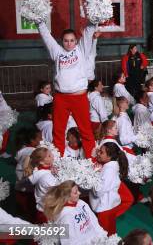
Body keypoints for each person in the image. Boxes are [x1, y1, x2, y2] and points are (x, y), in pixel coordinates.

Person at [37, 20, 96, 158]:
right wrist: (40, 23)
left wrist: (93, 22)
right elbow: (47, 38)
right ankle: (58, 162)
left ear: (76, 41)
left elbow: (87, 34)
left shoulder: (81, 50)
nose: (69, 43)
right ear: (62, 41)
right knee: (58, 131)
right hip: (61, 98)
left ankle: (92, 162)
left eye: (72, 40)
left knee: (86, 131)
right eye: (66, 41)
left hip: (79, 97)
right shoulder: (57, 52)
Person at [90, 142, 129, 234]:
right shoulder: (110, 166)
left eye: (101, 152)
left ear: (109, 157)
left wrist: (93, 174)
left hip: (104, 209)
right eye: (99, 151)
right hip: (108, 206)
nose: (98, 153)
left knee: (105, 235)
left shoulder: (109, 170)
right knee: (110, 232)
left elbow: (98, 192)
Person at [25, 146, 58, 223]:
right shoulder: (46, 177)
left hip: (42, 209)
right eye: (49, 156)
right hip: (47, 212)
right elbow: (58, 193)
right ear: (41, 162)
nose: (52, 156)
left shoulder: (38, 170)